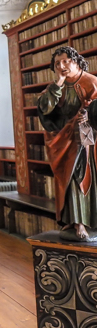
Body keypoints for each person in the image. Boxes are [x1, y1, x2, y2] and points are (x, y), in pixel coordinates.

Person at [38, 46, 97, 240]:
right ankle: (71, 220)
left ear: (76, 61)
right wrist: (59, 83)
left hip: (86, 141)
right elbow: (45, 108)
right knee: (66, 180)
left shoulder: (91, 82)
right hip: (63, 140)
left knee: (79, 179)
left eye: (65, 61)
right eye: (57, 64)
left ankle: (82, 224)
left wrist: (88, 116)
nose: (61, 66)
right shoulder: (56, 86)